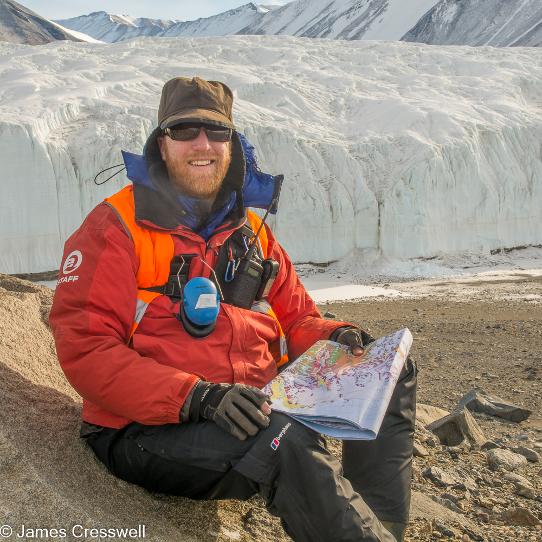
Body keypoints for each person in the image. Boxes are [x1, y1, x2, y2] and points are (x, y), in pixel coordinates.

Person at [49, 76, 416, 542]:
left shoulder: (252, 233)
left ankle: (379, 531)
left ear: (232, 143)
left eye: (216, 131)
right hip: (145, 431)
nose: (202, 144)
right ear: (161, 144)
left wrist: (339, 337)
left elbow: (298, 320)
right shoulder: (117, 227)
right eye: (184, 131)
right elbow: (88, 350)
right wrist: (197, 397)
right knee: (283, 439)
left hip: (248, 411)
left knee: (389, 369)